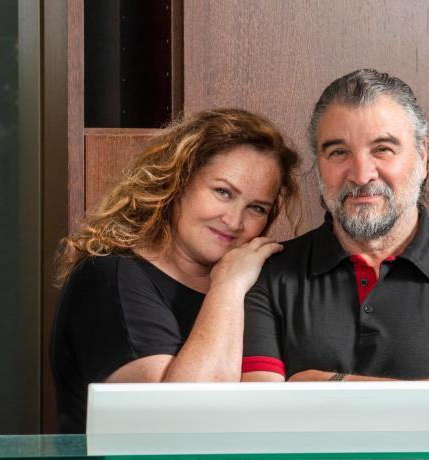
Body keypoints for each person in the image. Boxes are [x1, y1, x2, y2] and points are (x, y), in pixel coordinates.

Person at [242, 69, 429, 382]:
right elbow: (264, 412)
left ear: (422, 158)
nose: (361, 174)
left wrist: (323, 383)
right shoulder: (270, 274)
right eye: (338, 152)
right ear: (319, 165)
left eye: (382, 149)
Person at [50, 108, 301, 432]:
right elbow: (181, 424)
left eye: (256, 208)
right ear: (177, 182)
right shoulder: (110, 279)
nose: (235, 221)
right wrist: (228, 286)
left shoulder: (259, 284)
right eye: (223, 192)